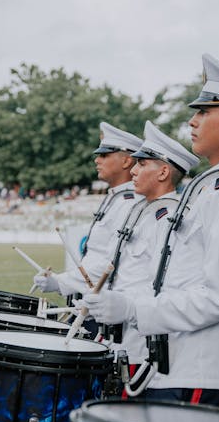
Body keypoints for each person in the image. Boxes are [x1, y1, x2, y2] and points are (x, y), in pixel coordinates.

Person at [82, 53, 219, 409]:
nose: (192, 121)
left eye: (204, 112)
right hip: (174, 363)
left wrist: (132, 309)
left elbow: (217, 298)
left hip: (198, 368)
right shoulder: (211, 187)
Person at [97, 121, 199, 395]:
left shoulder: (172, 219)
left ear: (164, 171)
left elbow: (162, 287)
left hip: (144, 344)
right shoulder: (142, 211)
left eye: (142, 164)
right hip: (125, 340)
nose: (133, 169)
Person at [32, 122, 143, 298]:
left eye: (105, 155)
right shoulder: (116, 197)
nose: (97, 160)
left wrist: (61, 282)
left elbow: (110, 263)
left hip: (106, 306)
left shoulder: (130, 203)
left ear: (126, 161)